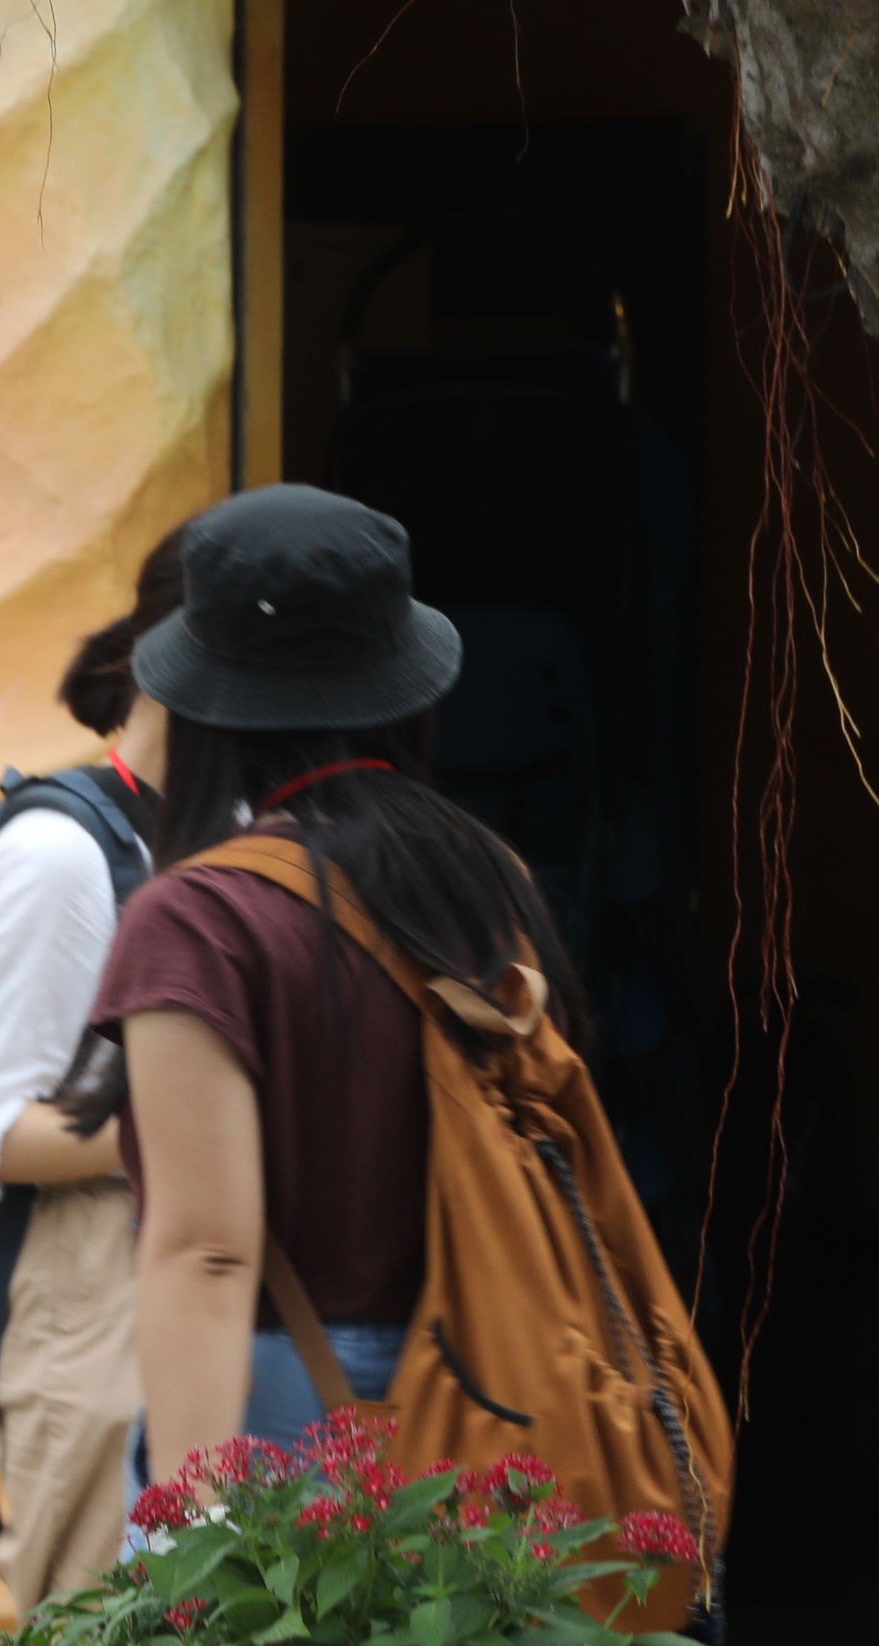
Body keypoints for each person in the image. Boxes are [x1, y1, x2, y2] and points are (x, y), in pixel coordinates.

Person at [99, 484, 553, 1473]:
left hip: (280, 1409)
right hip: (492, 1395)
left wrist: (189, 1547)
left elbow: (208, 1256)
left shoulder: (198, 919)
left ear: (206, 699)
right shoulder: (491, 881)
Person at [0, 533, 181, 1613]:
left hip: (187, 1286)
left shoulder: (223, 835)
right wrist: (190, 1131)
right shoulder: (63, 854)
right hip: (86, 1301)